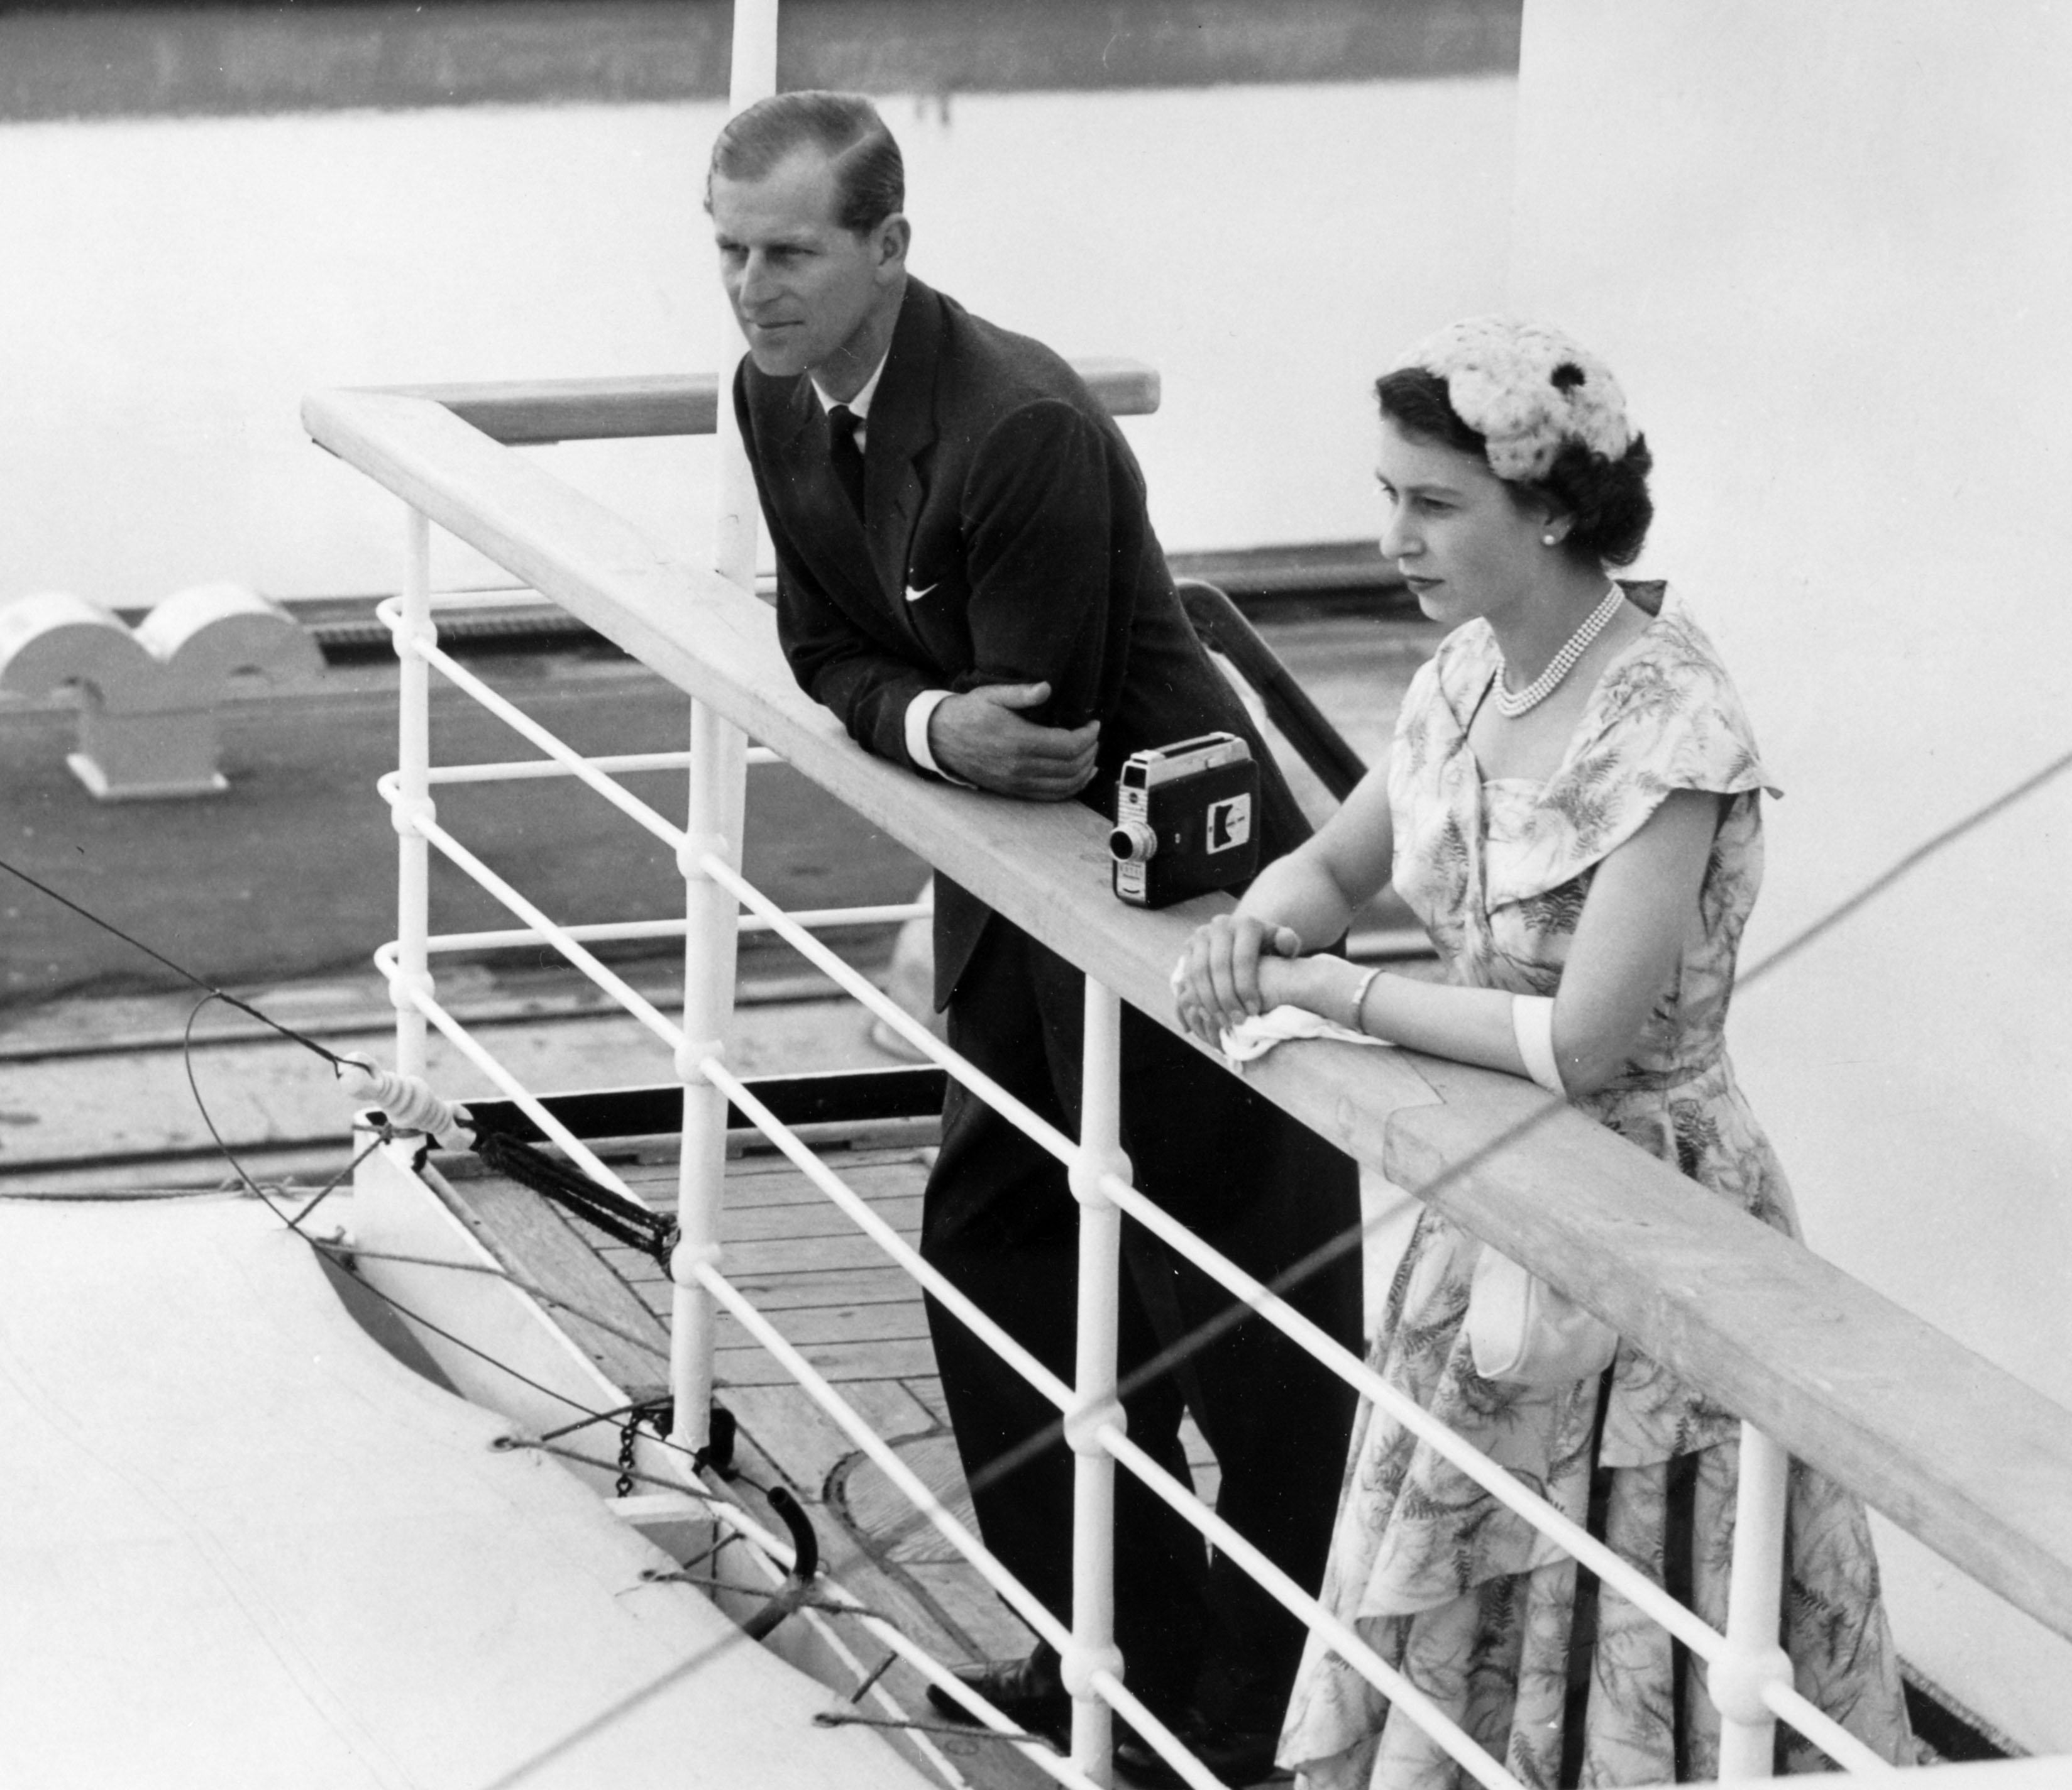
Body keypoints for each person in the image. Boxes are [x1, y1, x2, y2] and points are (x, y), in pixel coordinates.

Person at [708, 91, 1364, 1781]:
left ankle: (1251, 1704)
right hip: (1013, 884)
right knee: (1001, 1251)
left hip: (1181, 896)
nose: (752, 288)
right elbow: (833, 655)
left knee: (1238, 1311)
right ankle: (1115, 1653)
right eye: (731, 251)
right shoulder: (779, 398)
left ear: (889, 250)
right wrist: (928, 730)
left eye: (789, 253)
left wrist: (936, 715)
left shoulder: (1018, 430)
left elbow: (1052, 730)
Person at [1172, 317, 1915, 1784]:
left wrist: (1336, 997)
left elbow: (1581, 1039)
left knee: (1635, 1584)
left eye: (1435, 504)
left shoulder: (1669, 720)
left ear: (1555, 510)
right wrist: (1250, 928)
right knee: (1476, 1582)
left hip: (1649, 1199)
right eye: (1386, 493)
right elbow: (1336, 863)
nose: (1392, 534)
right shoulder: (1464, 675)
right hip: (1490, 1205)